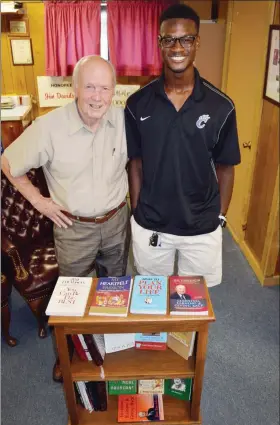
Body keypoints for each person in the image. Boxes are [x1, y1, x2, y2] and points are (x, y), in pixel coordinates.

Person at [1, 55, 129, 381]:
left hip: (116, 221)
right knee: (73, 298)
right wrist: (38, 201)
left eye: (105, 88)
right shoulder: (48, 127)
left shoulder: (125, 121)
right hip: (73, 228)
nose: (97, 96)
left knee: (115, 288)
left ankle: (110, 345)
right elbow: (8, 164)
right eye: (89, 87)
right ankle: (68, 354)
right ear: (74, 88)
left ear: (113, 90)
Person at [125, 4, 241, 287]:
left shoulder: (221, 106)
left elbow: (226, 167)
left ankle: (184, 335)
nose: (178, 47)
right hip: (152, 224)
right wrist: (138, 210)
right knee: (153, 298)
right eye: (169, 39)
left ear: (197, 42)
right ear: (159, 43)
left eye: (186, 38)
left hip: (201, 226)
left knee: (192, 304)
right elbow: (135, 163)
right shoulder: (137, 103)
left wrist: (220, 216)